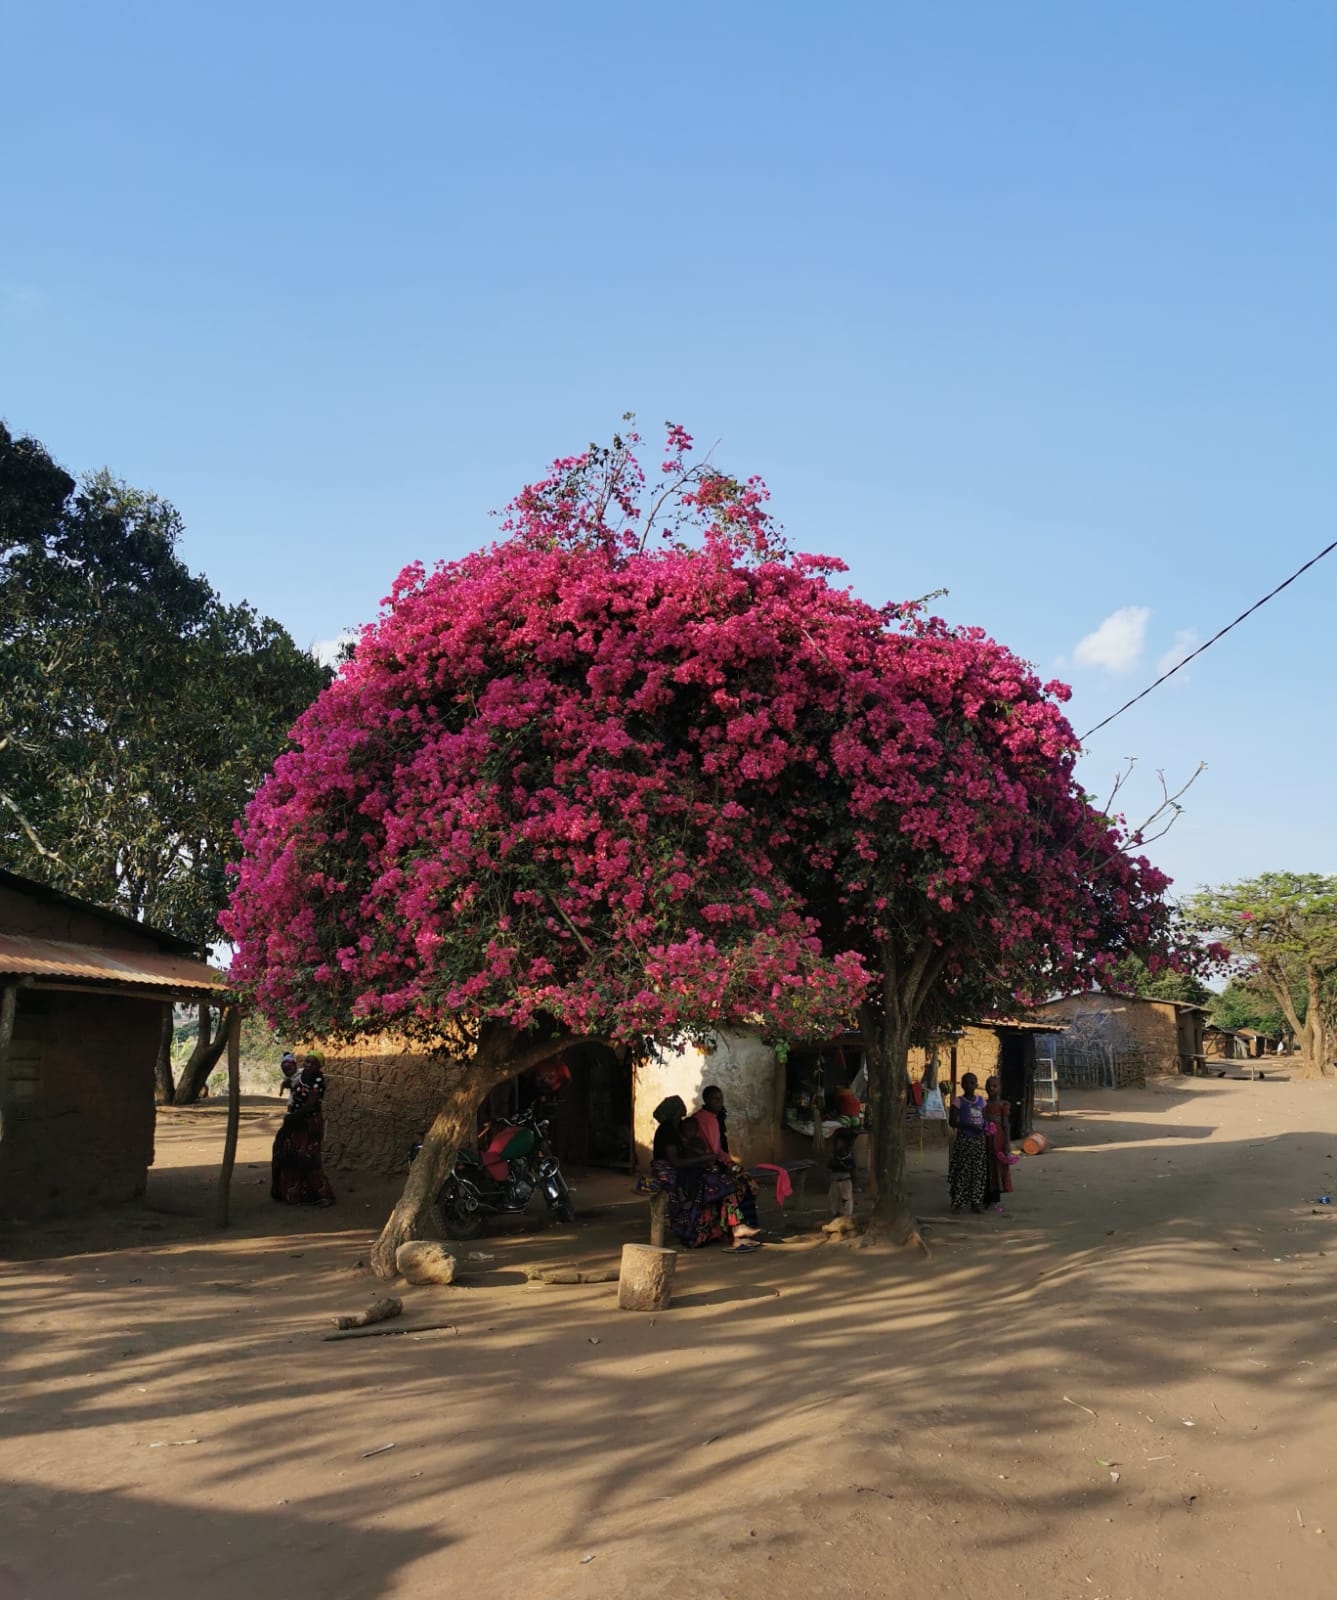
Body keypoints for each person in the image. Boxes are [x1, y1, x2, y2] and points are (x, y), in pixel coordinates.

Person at [651, 1096, 760, 1250]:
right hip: (673, 1171)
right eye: (679, 1111)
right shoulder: (668, 1130)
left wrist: (704, 1158)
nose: (682, 1114)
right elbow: (676, 1162)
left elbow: (687, 1152)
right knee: (722, 1185)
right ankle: (719, 1230)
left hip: (685, 1169)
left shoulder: (677, 1130)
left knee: (726, 1182)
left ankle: (733, 1228)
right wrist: (705, 1158)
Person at [690, 1085, 761, 1229]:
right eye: (715, 1099)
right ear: (706, 1100)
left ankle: (746, 1223)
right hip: (706, 1165)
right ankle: (741, 1224)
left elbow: (718, 1149)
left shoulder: (713, 1118)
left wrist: (729, 1162)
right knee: (741, 1184)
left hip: (717, 1161)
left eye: (721, 1099)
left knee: (747, 1181)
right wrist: (727, 1164)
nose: (719, 1102)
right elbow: (712, 1150)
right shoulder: (702, 1119)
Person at [271, 1052, 336, 1206]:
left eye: (313, 1063)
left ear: (319, 1066)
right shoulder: (300, 1076)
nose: (309, 1065)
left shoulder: (318, 1080)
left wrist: (292, 1117)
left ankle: (323, 1194)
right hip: (295, 1120)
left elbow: (311, 1104)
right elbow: (292, 1085)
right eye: (307, 1061)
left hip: (309, 1122)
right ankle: (294, 1193)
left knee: (308, 1157)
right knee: (287, 1153)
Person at [948, 1072, 989, 1213]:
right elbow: (952, 1122)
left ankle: (976, 1202)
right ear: (962, 1085)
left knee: (978, 1172)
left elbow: (985, 1119)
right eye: (967, 1082)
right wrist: (969, 1126)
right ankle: (958, 1202)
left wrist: (985, 1127)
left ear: (976, 1085)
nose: (970, 1085)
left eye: (973, 1082)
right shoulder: (958, 1101)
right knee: (962, 1171)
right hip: (964, 1141)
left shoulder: (981, 1101)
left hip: (979, 1141)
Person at [982, 1074, 1014, 1209]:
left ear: (1000, 1088)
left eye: (994, 1086)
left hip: (998, 1140)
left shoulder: (1002, 1105)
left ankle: (995, 1196)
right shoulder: (983, 1104)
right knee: (986, 1165)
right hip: (985, 1139)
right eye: (989, 1086)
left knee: (997, 1166)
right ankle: (985, 1196)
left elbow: (1006, 1125)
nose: (991, 1088)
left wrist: (1007, 1143)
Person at [828, 1122, 859, 1217]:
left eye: (839, 1142)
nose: (836, 1144)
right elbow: (829, 1165)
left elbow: (852, 1170)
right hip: (835, 1182)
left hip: (846, 1182)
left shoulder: (850, 1156)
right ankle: (836, 1216)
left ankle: (846, 1218)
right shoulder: (834, 1155)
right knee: (834, 1202)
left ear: (845, 1143)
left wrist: (854, 1186)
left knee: (846, 1202)